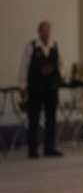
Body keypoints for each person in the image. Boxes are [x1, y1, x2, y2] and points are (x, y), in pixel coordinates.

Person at [18, 20, 62, 158]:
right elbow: (24, 66)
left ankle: (49, 148)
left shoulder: (54, 45)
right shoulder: (31, 46)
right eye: (43, 30)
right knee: (34, 118)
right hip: (35, 87)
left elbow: (60, 64)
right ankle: (33, 150)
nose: (46, 32)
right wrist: (22, 86)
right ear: (39, 31)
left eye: (48, 30)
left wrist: (58, 73)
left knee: (51, 118)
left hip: (51, 88)